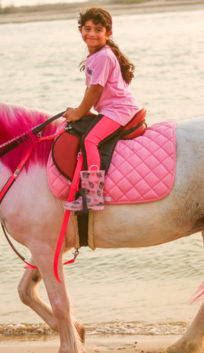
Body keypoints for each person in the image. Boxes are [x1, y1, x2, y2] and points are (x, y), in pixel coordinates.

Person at [63, 7, 138, 211]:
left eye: (98, 29)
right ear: (81, 31)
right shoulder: (96, 55)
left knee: (90, 140)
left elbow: (95, 91)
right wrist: (80, 109)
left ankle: (93, 196)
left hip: (119, 109)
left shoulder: (103, 56)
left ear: (108, 33)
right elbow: (92, 91)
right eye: (87, 28)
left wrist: (79, 112)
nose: (92, 34)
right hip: (110, 108)